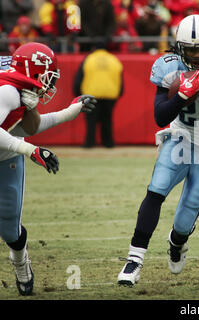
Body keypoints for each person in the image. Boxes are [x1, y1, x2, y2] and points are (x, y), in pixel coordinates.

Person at [117, 14, 199, 286]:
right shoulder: (167, 67)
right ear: (179, 48)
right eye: (192, 49)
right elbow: (159, 116)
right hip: (180, 136)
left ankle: (177, 242)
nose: (198, 55)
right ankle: (134, 259)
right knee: (157, 189)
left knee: (187, 213)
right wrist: (181, 96)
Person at [0, 42, 96, 296]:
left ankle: (20, 262)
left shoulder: (18, 88)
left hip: (5, 157)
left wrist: (69, 112)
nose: (50, 83)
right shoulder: (8, 91)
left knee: (10, 226)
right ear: (33, 69)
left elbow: (25, 129)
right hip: (11, 152)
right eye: (48, 75)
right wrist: (31, 150)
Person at [73, 44, 123, 148]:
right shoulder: (113, 59)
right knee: (107, 119)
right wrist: (119, 93)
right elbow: (120, 77)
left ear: (94, 48)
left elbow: (79, 77)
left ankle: (89, 143)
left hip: (91, 93)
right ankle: (108, 143)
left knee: (91, 120)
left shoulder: (89, 59)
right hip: (110, 93)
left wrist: (77, 94)